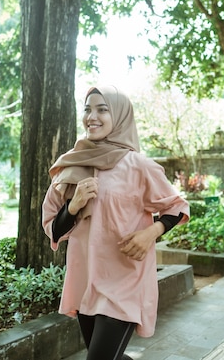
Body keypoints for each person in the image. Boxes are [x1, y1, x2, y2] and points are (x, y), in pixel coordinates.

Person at [42, 85, 189, 360]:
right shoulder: (70, 165)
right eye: (87, 109)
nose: (91, 116)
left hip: (124, 280)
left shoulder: (138, 165)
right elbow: (52, 226)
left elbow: (177, 206)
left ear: (120, 116)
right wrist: (72, 207)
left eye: (102, 109)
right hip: (86, 278)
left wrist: (151, 232)